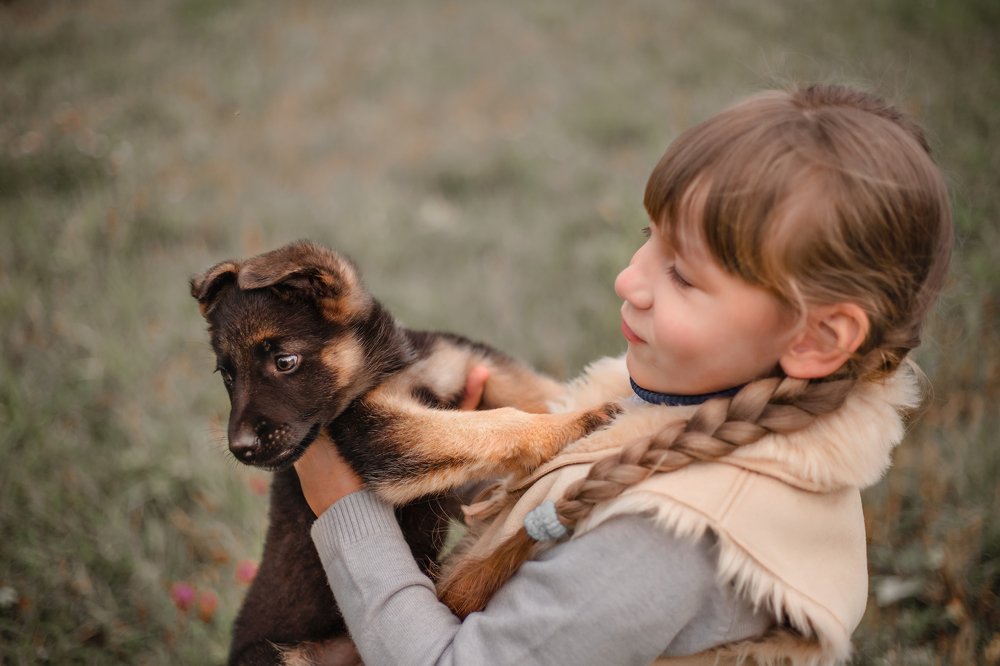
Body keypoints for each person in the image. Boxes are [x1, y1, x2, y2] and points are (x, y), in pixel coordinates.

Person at [292, 84, 953, 665]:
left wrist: (347, 510)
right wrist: (473, 458)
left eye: (684, 274)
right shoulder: (722, 408)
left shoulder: (668, 538)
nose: (628, 279)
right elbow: (567, 530)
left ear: (818, 338)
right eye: (648, 236)